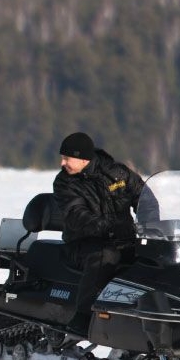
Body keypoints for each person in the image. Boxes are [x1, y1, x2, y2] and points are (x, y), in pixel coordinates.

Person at [53, 131, 145, 334]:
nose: (62, 163)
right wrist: (108, 226)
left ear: (83, 159)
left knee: (152, 255)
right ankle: (83, 317)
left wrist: (154, 220)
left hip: (124, 240)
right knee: (105, 255)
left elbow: (144, 196)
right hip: (82, 243)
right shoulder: (64, 183)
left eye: (66, 158)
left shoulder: (118, 174)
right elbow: (77, 215)